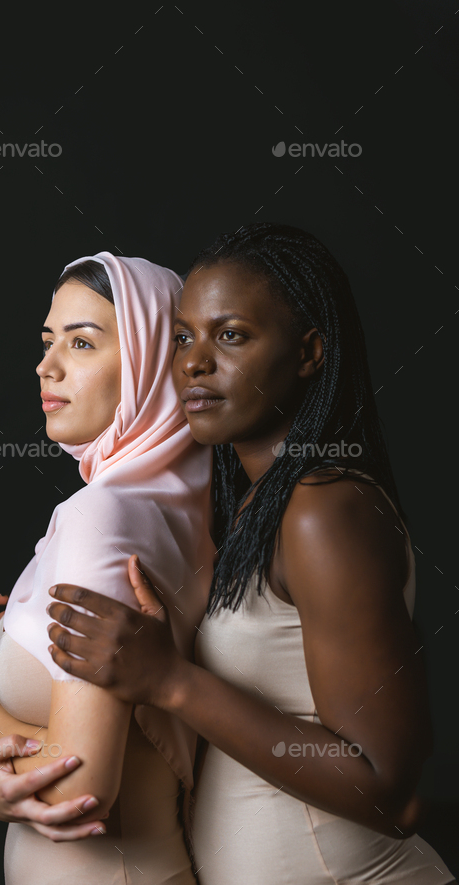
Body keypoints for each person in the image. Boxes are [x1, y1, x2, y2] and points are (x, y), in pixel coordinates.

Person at [43, 224, 457, 884]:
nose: (194, 363)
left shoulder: (323, 507)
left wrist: (172, 680)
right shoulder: (258, 504)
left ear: (309, 353)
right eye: (184, 336)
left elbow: (390, 790)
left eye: (230, 334)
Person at [0, 253, 216, 883]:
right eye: (47, 342)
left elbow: (77, 790)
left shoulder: (103, 514)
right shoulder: (190, 502)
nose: (47, 366)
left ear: (154, 362)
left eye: (83, 342)